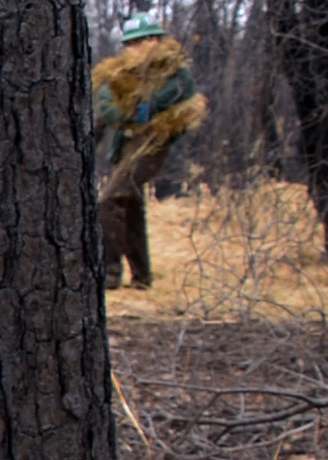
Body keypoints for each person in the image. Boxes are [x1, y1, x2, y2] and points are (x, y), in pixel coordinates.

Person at [94, 13, 199, 291]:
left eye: (144, 40)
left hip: (151, 145)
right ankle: (142, 277)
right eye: (132, 42)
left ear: (156, 40)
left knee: (109, 201)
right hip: (124, 147)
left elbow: (184, 91)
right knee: (130, 208)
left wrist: (150, 108)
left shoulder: (172, 70)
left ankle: (109, 272)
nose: (137, 46)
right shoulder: (121, 74)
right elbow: (106, 104)